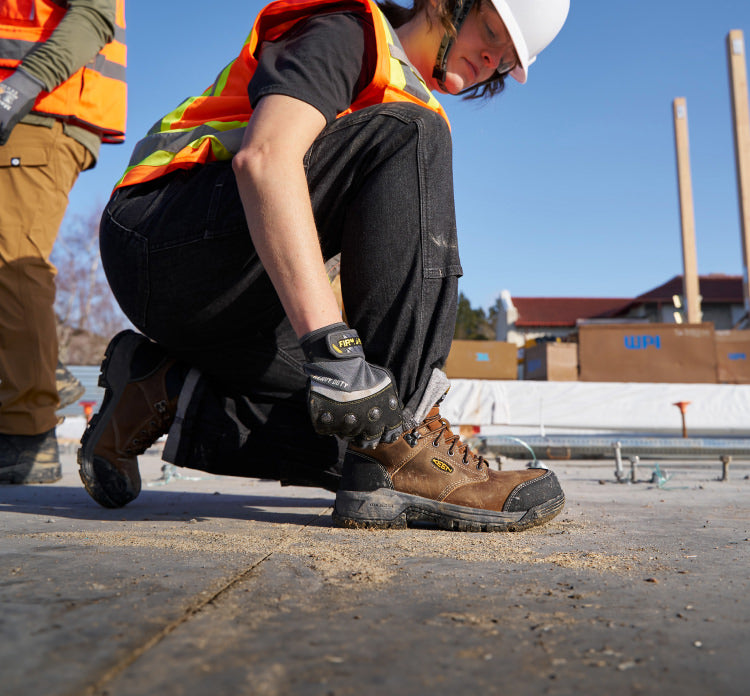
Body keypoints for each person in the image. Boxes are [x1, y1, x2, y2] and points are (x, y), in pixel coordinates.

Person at [79, 0, 569, 532]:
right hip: (160, 239)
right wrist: (334, 352)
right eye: (491, 31)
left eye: (504, 61)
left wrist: (360, 385)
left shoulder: (401, 97)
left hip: (230, 292)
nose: (489, 59)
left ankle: (163, 391)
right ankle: (403, 444)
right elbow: (266, 159)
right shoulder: (349, 31)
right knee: (414, 134)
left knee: (360, 441)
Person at [0, 0, 127, 484]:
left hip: (35, 110)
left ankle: (26, 436)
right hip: (29, 107)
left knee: (11, 263)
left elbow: (94, 14)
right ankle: (44, 371)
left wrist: (16, 91)